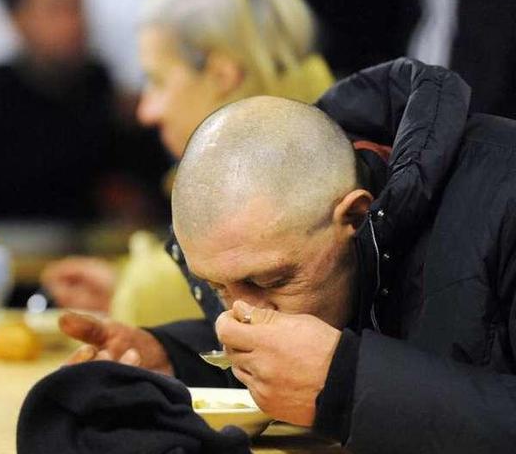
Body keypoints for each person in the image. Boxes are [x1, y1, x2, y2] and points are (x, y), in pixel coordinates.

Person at [62, 57, 516, 453]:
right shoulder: (302, 224)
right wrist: (172, 360)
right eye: (218, 287)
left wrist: (345, 383)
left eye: (271, 282)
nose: (238, 319)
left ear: (357, 217)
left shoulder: (504, 194)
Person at [42, 0, 335, 327]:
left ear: (221, 75)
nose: (147, 111)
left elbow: (229, 288)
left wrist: (134, 292)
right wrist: (121, 284)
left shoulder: (296, 163)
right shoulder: (322, 127)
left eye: (157, 80)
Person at [0, 0, 168, 224]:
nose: (73, 22)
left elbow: (151, 190)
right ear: (16, 18)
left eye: (77, 6)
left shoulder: (104, 90)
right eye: (56, 8)